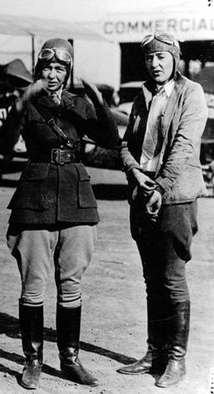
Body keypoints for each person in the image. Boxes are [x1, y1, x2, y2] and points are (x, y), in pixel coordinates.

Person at [1, 38, 119, 389]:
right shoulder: (26, 103)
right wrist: (20, 104)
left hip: (76, 198)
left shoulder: (78, 104)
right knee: (33, 285)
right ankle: (33, 360)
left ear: (69, 73)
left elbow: (111, 140)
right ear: (38, 70)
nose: (52, 74)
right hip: (34, 198)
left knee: (71, 284)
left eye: (60, 69)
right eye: (47, 68)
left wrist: (96, 97)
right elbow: (3, 145)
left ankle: (70, 360)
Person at [117, 32, 207, 388]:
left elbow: (185, 145)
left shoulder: (191, 94)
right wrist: (135, 173)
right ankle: (154, 352)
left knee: (171, 278)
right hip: (142, 193)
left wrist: (162, 187)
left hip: (175, 198)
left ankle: (176, 360)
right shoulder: (142, 97)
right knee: (151, 279)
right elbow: (126, 145)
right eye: (150, 58)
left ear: (175, 59)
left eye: (162, 57)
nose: (155, 63)